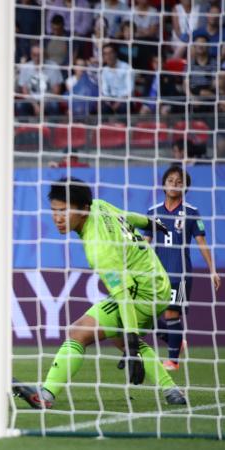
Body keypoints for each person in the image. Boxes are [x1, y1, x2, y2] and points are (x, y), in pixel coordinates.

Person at [14, 178, 187, 409]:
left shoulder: (99, 249)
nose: (58, 218)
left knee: (79, 332)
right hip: (157, 282)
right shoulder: (99, 205)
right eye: (54, 211)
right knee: (119, 336)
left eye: (64, 211)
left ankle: (45, 396)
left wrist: (133, 346)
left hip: (142, 292)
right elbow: (127, 215)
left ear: (83, 210)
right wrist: (150, 222)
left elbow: (123, 295)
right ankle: (172, 391)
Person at [144, 167, 220, 371]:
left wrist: (212, 269)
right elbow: (145, 242)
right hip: (157, 273)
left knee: (171, 314)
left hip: (181, 273)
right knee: (145, 314)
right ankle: (175, 341)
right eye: (170, 180)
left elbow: (202, 242)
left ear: (185, 187)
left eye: (179, 182)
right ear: (163, 184)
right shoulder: (153, 212)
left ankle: (172, 361)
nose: (174, 184)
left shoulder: (192, 212)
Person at [99, 43, 133, 115]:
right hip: (111, 100)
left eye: (110, 53)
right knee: (102, 108)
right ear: (103, 57)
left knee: (123, 107)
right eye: (105, 54)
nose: (108, 56)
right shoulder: (104, 71)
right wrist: (109, 103)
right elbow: (105, 90)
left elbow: (130, 90)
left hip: (125, 99)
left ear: (115, 54)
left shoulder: (126, 67)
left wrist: (119, 102)